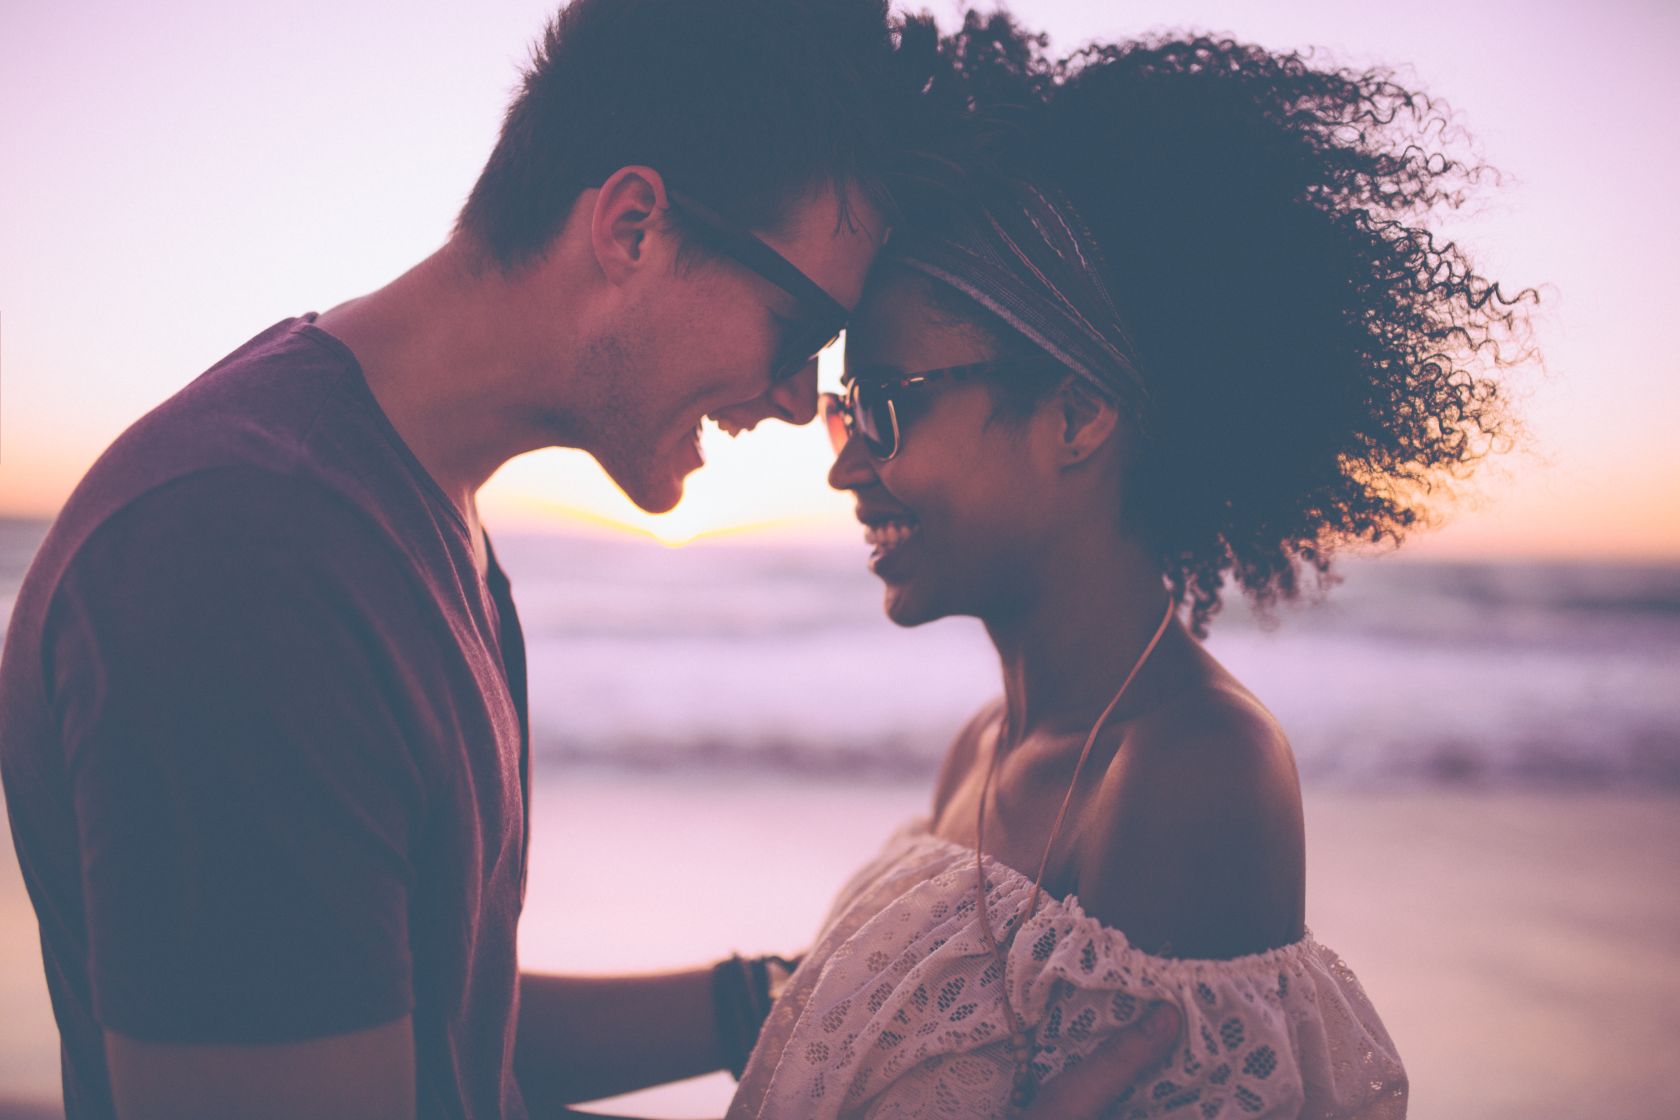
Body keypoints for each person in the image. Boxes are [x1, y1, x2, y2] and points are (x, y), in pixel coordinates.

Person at [0, 1, 1183, 1117]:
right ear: (632, 227)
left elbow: (437, 1042)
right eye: (804, 336)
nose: (793, 404)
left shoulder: (416, 512)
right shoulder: (241, 559)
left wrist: (796, 1006)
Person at [729, 16, 1533, 1119]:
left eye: (887, 407)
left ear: (1079, 412)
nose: (847, 467)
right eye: (842, 410)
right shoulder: (983, 747)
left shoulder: (1190, 775)